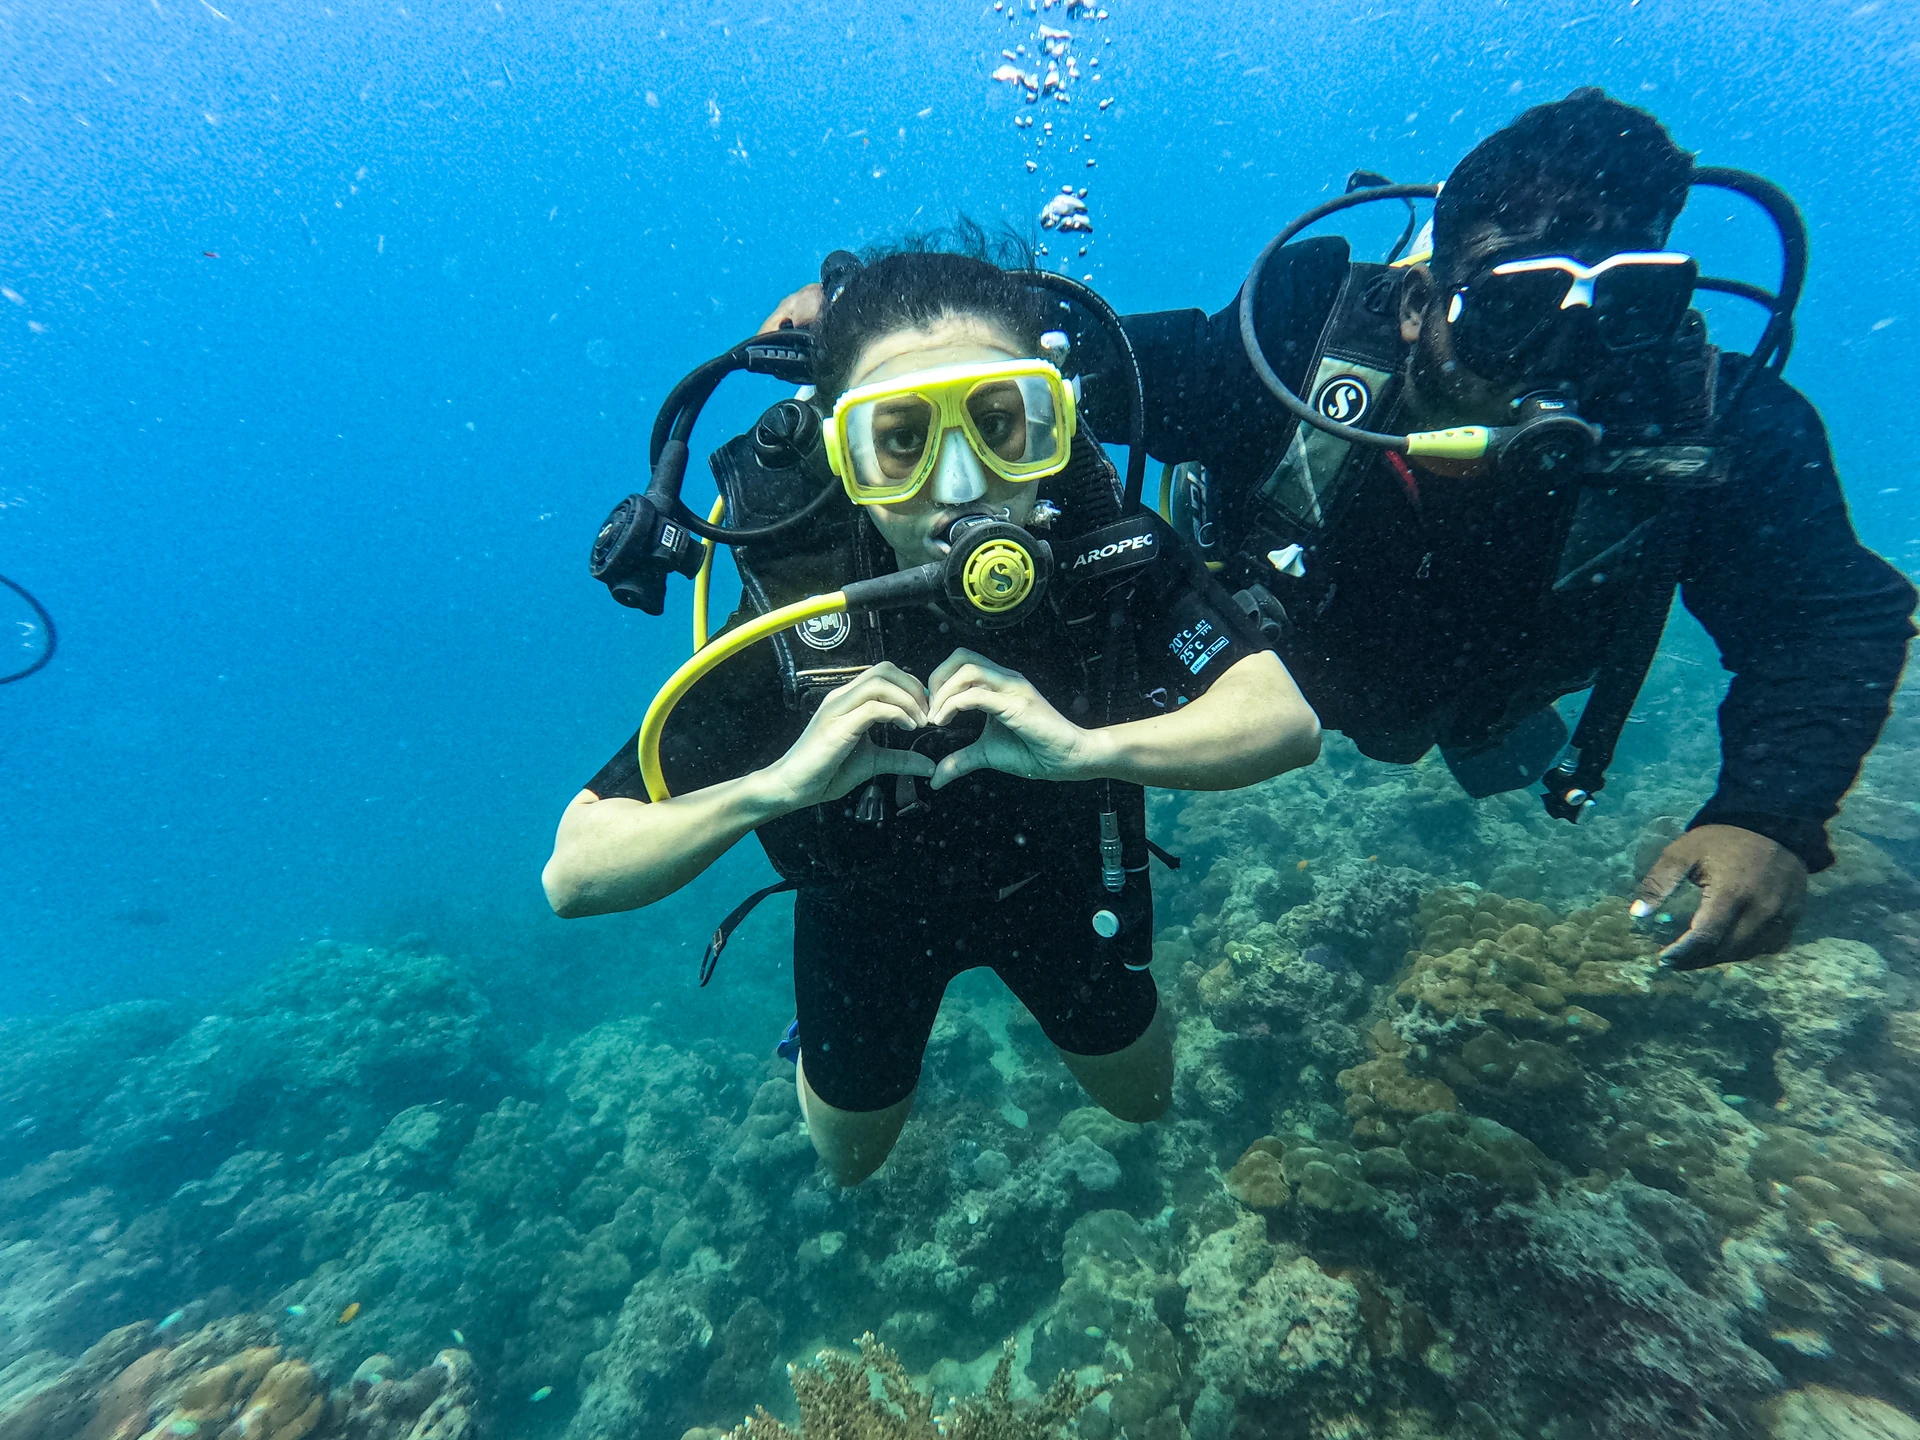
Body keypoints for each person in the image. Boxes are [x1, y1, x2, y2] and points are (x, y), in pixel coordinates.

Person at [767, 91, 1915, 972]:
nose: (1569, 360)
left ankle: (1484, 734)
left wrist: (1769, 812)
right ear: (1419, 304)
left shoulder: (1722, 429)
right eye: (1511, 311)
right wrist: (885, 325)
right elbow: (1072, 369)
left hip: (1488, 697)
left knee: (1488, 743)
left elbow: (1829, 617)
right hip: (1286, 676)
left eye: (1631, 309)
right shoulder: (1291, 357)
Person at [544, 240, 1321, 1185]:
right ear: (843, 456)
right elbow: (574, 871)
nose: (960, 486)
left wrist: (1085, 750)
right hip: (864, 917)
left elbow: (1284, 721)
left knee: (1144, 1100)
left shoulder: (1110, 557)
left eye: (999, 424)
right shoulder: (796, 613)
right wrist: (774, 787)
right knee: (850, 1162)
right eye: (902, 440)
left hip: (1059, 879)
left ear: (1054, 420)